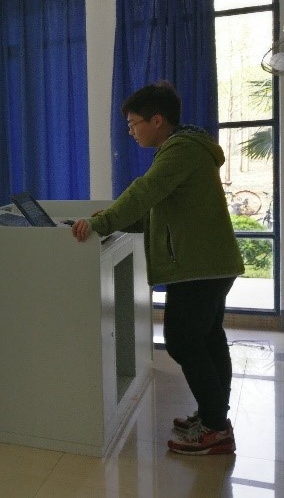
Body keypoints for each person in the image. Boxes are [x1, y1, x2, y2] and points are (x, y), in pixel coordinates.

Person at [71, 82, 244, 456]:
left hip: (199, 266)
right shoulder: (184, 148)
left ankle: (216, 428)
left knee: (183, 341)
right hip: (207, 263)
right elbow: (160, 210)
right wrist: (116, 219)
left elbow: (144, 191)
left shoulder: (181, 150)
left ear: (157, 120)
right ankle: (214, 416)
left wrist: (102, 222)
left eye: (134, 123)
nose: (131, 131)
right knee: (208, 339)